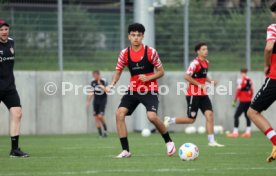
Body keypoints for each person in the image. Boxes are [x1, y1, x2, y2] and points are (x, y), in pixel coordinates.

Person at [107, 23, 176, 158]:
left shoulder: (151, 52)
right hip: (133, 90)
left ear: (143, 36)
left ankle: (169, 141)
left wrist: (149, 77)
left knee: (151, 116)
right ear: (129, 37)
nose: (136, 38)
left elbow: (161, 72)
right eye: (133, 35)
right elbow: (118, 71)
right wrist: (112, 84)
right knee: (119, 114)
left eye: (139, 35)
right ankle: (126, 150)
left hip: (150, 90)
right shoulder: (124, 53)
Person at [164, 42, 224, 147]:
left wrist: (211, 82)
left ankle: (212, 141)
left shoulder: (206, 62)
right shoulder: (194, 63)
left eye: (206, 49)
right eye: (204, 49)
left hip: (203, 95)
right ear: (198, 51)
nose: (206, 51)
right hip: (193, 94)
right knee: (191, 120)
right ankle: (170, 120)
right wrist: (199, 85)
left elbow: (204, 76)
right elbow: (186, 76)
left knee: (209, 115)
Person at [247, 2, 276, 163]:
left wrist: (267, 65)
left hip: (275, 78)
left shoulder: (273, 28)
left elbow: (268, 47)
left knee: (252, 112)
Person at [0, 20, 29, 157]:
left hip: (9, 86)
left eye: (6, 29)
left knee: (17, 113)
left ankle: (15, 150)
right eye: (1, 30)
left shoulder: (11, 42)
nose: (4, 31)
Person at [227, 68, 253, 138]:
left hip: (243, 101)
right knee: (247, 116)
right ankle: (248, 132)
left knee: (236, 116)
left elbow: (238, 91)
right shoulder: (249, 80)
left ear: (241, 72)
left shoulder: (240, 80)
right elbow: (251, 90)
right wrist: (250, 97)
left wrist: (235, 100)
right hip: (248, 101)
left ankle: (235, 132)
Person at [86, 70, 108, 137]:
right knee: (96, 118)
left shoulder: (104, 81)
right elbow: (91, 92)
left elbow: (107, 91)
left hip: (103, 100)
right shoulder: (93, 82)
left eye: (95, 75)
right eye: (93, 75)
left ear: (98, 75)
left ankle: (105, 130)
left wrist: (100, 84)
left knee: (100, 116)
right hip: (96, 101)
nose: (94, 77)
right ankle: (100, 134)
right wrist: (88, 101)